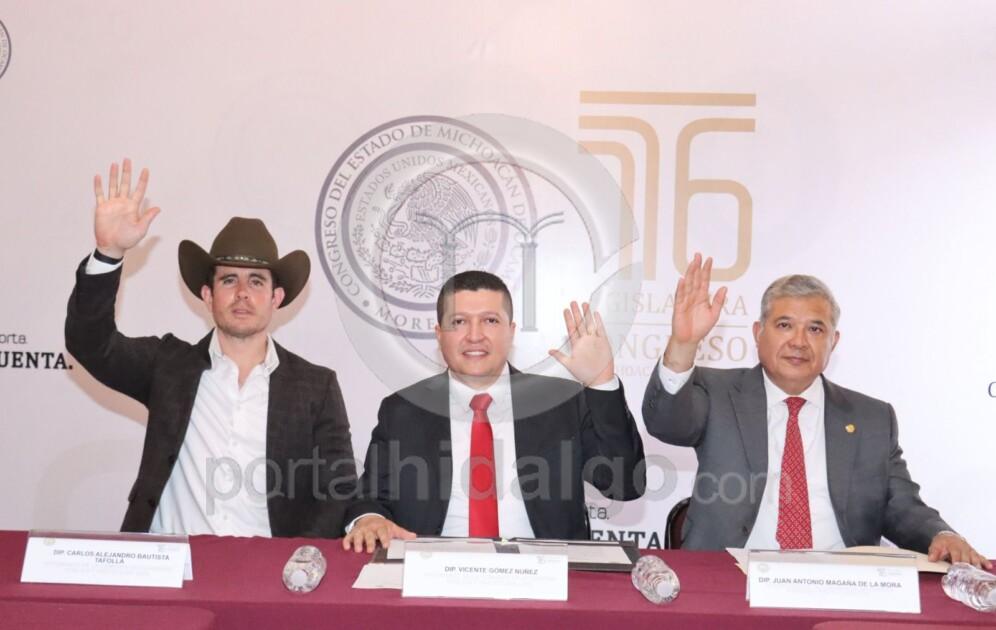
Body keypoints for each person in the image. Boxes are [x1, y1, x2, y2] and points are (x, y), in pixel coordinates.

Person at [65, 159, 357, 538]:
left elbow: (339, 490)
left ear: (276, 298)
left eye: (256, 281)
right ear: (207, 295)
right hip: (169, 562)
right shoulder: (168, 366)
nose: (242, 293)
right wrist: (108, 254)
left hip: (267, 569)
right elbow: (90, 343)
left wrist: (291, 561)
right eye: (229, 280)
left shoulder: (316, 386)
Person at [642, 254, 990, 568]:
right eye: (784, 325)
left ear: (833, 342)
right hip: (731, 578)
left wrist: (942, 534)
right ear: (758, 333)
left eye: (815, 329)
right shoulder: (718, 393)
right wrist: (683, 345)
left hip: (842, 584)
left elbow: (900, 505)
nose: (799, 341)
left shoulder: (872, 418)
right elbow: (666, 423)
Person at [342, 271, 645, 551]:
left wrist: (601, 383)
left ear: (511, 332)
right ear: (439, 334)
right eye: (458, 322)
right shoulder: (403, 410)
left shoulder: (560, 402)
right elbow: (370, 498)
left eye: (490, 320)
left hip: (544, 575)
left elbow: (625, 485)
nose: (474, 335)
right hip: (434, 574)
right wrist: (369, 519)